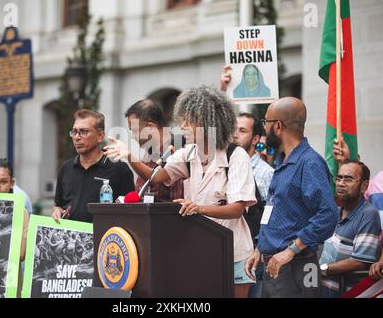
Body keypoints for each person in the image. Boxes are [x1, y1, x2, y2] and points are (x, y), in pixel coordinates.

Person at [105, 85, 257, 298]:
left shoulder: (236, 156)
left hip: (234, 252)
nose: (182, 127)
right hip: (200, 248)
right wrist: (129, 155)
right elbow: (155, 177)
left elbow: (237, 209)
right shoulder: (187, 153)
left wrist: (198, 208)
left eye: (188, 121)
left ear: (206, 122)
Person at [244, 97, 339, 298]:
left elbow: (328, 215)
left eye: (265, 122)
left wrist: (292, 250)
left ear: (278, 126)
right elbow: (277, 212)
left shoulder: (309, 163)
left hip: (297, 266)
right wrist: (260, 248)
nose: (263, 128)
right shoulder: (282, 162)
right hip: (276, 265)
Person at [52, 109, 135, 223]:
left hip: (105, 238)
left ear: (100, 136)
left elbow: (130, 214)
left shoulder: (119, 169)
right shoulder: (65, 168)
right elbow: (58, 205)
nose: (76, 137)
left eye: (84, 131)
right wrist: (56, 210)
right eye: (74, 131)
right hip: (70, 238)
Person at [319, 160, 381, 297]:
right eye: (339, 178)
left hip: (347, 292)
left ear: (364, 186)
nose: (341, 183)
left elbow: (360, 262)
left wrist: (322, 269)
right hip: (323, 290)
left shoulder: (368, 214)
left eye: (348, 179)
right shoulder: (336, 211)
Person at [233, 113, 274, 298]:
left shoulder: (266, 174)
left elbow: (270, 216)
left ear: (256, 139)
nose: (235, 134)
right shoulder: (229, 166)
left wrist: (260, 250)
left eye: (242, 130)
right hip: (230, 250)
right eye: (234, 129)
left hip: (254, 256)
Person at [0, 158, 29, 297]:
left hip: (10, 279)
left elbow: (21, 254)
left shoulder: (21, 211)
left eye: (3, 182)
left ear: (12, 183)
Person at [124, 99, 184, 202]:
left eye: (134, 130)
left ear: (150, 127)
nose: (133, 137)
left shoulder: (177, 148)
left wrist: (128, 156)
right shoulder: (149, 152)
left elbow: (176, 202)